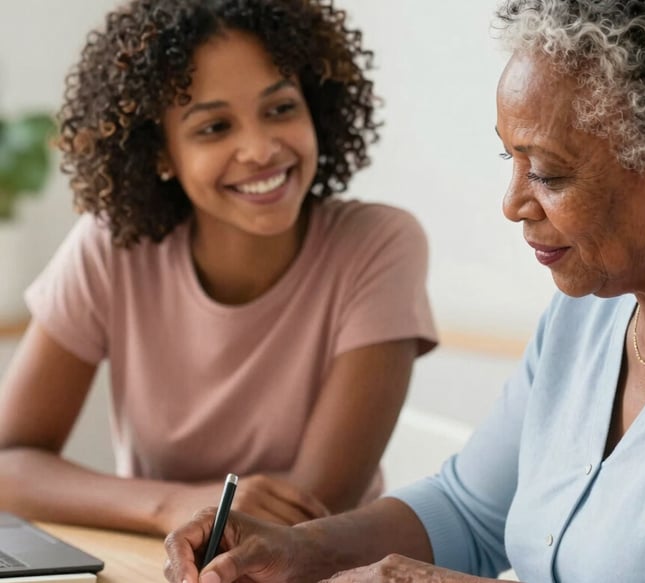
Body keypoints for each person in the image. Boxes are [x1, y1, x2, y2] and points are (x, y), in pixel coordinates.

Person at [162, 0, 645, 582]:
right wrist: (295, 549)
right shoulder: (587, 311)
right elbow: (466, 512)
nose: (512, 203)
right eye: (511, 156)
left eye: (549, 173)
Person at [0, 0, 438, 536]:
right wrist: (172, 506)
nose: (259, 149)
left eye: (280, 109)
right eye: (213, 127)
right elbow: (8, 462)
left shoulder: (378, 245)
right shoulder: (113, 247)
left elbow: (306, 511)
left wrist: (189, 509)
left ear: (316, 107)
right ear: (160, 153)